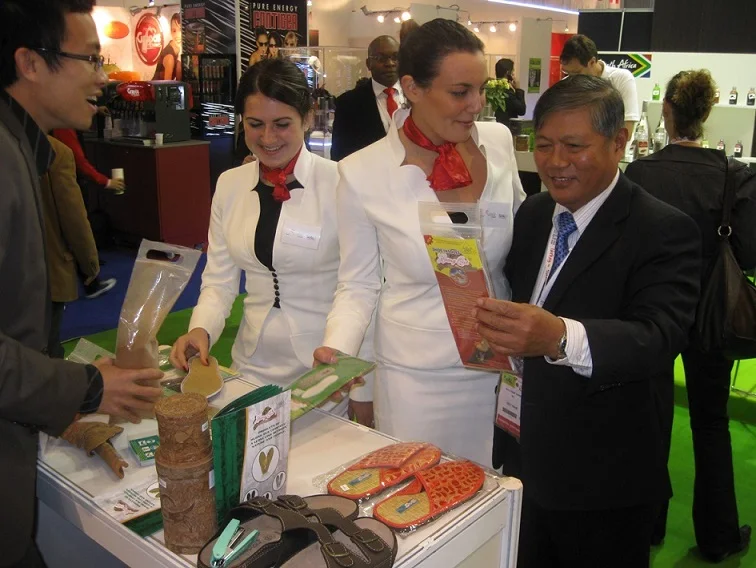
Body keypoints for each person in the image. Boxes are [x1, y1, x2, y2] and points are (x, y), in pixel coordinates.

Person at [473, 74, 701, 567]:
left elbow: (659, 336)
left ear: (619, 142)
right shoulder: (535, 214)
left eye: (574, 146)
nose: (555, 162)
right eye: (544, 145)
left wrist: (558, 336)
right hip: (524, 456)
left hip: (604, 476)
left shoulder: (662, 229)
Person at [314, 19, 526, 466]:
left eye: (480, 89)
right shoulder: (362, 172)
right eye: (460, 92)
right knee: (419, 490)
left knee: (496, 491)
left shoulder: (498, 143)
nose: (476, 105)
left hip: (498, 368)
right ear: (412, 87)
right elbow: (358, 284)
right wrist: (338, 349)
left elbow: (525, 240)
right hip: (417, 378)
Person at [0, 1, 164, 566]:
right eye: (90, 59)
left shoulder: (25, 148)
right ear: (30, 62)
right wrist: (86, 387)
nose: (102, 77)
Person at [170, 58, 369, 415]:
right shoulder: (229, 185)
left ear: (307, 118)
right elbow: (219, 280)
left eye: (282, 124)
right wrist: (201, 329)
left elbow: (357, 286)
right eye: (255, 124)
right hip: (250, 363)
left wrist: (337, 349)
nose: (267, 138)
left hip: (321, 368)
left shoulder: (342, 183)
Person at [625, 69, 755, 563]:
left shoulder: (639, 174)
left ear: (668, 111)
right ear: (707, 113)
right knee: (711, 422)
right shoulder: (732, 175)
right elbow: (750, 252)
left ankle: (647, 526)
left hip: (651, 314)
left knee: (651, 421)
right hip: (711, 315)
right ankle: (719, 537)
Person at [41, 136, 115, 358]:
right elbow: (74, 219)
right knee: (47, 352)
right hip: (47, 269)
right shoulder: (55, 152)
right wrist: (90, 265)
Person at [330, 35, 402, 161]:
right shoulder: (348, 103)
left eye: (395, 57)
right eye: (381, 58)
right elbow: (340, 155)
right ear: (368, 64)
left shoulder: (419, 97)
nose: (390, 63)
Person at [560, 34, 639, 134]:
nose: (571, 78)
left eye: (576, 73)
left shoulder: (621, 79)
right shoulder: (565, 85)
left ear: (592, 62)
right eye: (567, 73)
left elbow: (627, 130)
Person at [492, 58, 526, 128]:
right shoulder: (506, 91)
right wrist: (518, 89)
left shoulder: (493, 87)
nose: (514, 74)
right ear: (508, 73)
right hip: (507, 127)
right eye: (513, 71)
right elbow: (521, 110)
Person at [152, 13, 182, 81]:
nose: (177, 35)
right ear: (171, 31)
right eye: (174, 31)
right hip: (156, 87)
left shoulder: (177, 51)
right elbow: (167, 84)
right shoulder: (169, 57)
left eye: (180, 30)